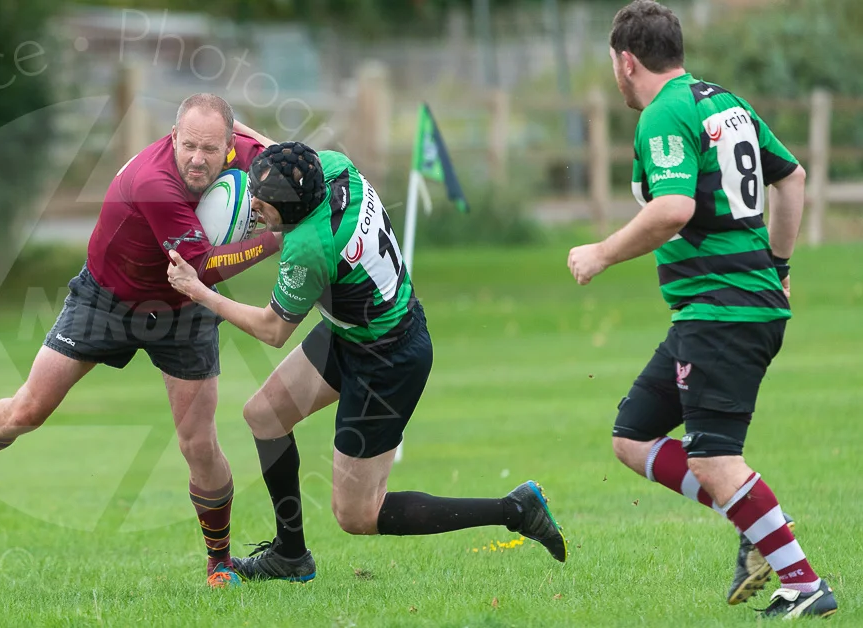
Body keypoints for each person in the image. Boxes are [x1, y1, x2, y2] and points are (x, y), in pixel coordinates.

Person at [0, 93, 281, 588]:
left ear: (230, 146)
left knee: (198, 444)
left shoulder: (244, 149)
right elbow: (199, 267)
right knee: (28, 409)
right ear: (174, 138)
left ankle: (218, 563)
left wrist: (305, 185)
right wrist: (276, 239)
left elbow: (294, 168)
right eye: (188, 146)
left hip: (182, 310)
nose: (197, 159)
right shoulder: (154, 183)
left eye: (210, 148)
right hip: (106, 299)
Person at [166, 141, 567, 584]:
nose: (254, 207)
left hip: (388, 360)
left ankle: (516, 510)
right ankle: (290, 556)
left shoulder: (308, 246)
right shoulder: (333, 167)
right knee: (265, 415)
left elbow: (272, 330)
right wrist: (223, 134)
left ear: (294, 211)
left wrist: (199, 290)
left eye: (265, 205)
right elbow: (278, 157)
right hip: (355, 328)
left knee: (358, 514)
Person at [567, 1, 835, 619]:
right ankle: (757, 518)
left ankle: (802, 582)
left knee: (714, 457)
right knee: (632, 436)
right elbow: (791, 177)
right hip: (721, 308)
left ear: (626, 61)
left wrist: (601, 254)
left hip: (722, 311)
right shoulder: (724, 102)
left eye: (613, 63)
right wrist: (781, 266)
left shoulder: (664, 113)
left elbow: (673, 209)